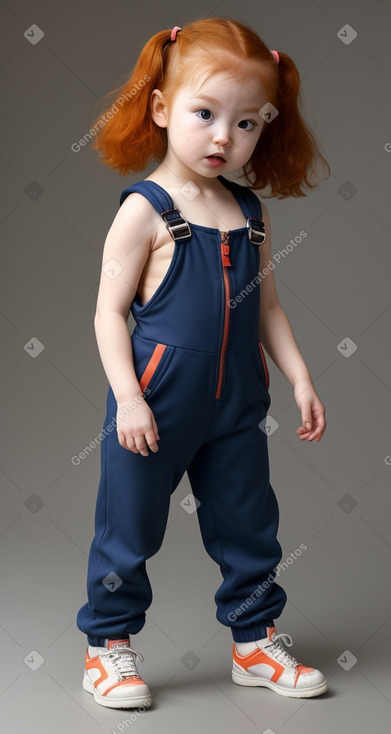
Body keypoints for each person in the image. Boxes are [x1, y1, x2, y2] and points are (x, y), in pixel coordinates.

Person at [76, 18, 331, 709]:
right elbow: (107, 314)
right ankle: (107, 649)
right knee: (128, 527)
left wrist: (302, 377)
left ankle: (253, 643)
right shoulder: (144, 211)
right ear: (160, 108)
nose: (224, 137)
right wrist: (128, 398)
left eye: (246, 123)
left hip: (236, 405)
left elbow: (268, 309)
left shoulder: (248, 212)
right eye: (204, 113)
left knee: (249, 523)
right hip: (155, 405)